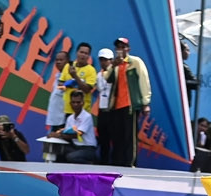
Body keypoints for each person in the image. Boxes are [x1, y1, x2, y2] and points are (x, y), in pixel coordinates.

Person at [103, 36, 151, 168]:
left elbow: (144, 81)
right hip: (116, 106)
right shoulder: (116, 65)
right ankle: (118, 162)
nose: (120, 50)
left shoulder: (135, 62)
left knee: (130, 137)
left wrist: (145, 102)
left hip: (130, 105)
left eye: (123, 47)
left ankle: (130, 163)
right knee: (117, 136)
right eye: (118, 47)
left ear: (128, 49)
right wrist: (113, 66)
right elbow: (107, 78)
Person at [58, 85, 99, 162]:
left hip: (88, 148)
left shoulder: (87, 116)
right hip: (75, 147)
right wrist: (57, 134)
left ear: (82, 103)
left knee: (71, 157)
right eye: (73, 102)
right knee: (58, 150)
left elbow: (77, 135)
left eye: (78, 102)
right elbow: (67, 133)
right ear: (70, 103)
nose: (76, 105)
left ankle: (91, 167)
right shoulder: (70, 118)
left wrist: (58, 135)